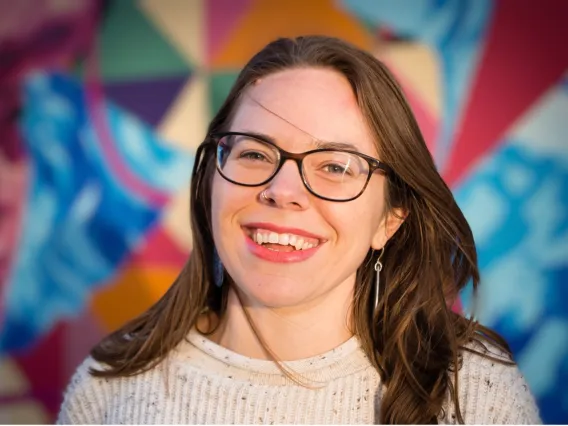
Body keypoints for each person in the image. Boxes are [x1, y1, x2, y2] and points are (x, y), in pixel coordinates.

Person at [57, 35, 541, 425]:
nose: (282, 190)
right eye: (253, 153)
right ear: (209, 186)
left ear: (389, 221)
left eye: (335, 166)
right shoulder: (108, 391)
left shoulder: (472, 394)